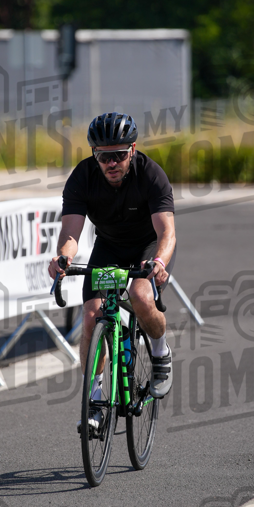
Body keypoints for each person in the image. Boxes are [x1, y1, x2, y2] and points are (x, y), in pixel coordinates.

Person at [48, 112, 176, 430]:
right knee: (91, 318)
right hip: (109, 249)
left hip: (148, 250)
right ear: (95, 155)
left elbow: (167, 233)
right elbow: (71, 235)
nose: (112, 163)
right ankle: (93, 403)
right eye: (105, 157)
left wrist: (159, 263)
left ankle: (161, 354)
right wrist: (63, 258)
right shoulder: (82, 177)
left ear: (132, 150)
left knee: (140, 296)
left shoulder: (151, 175)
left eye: (119, 155)